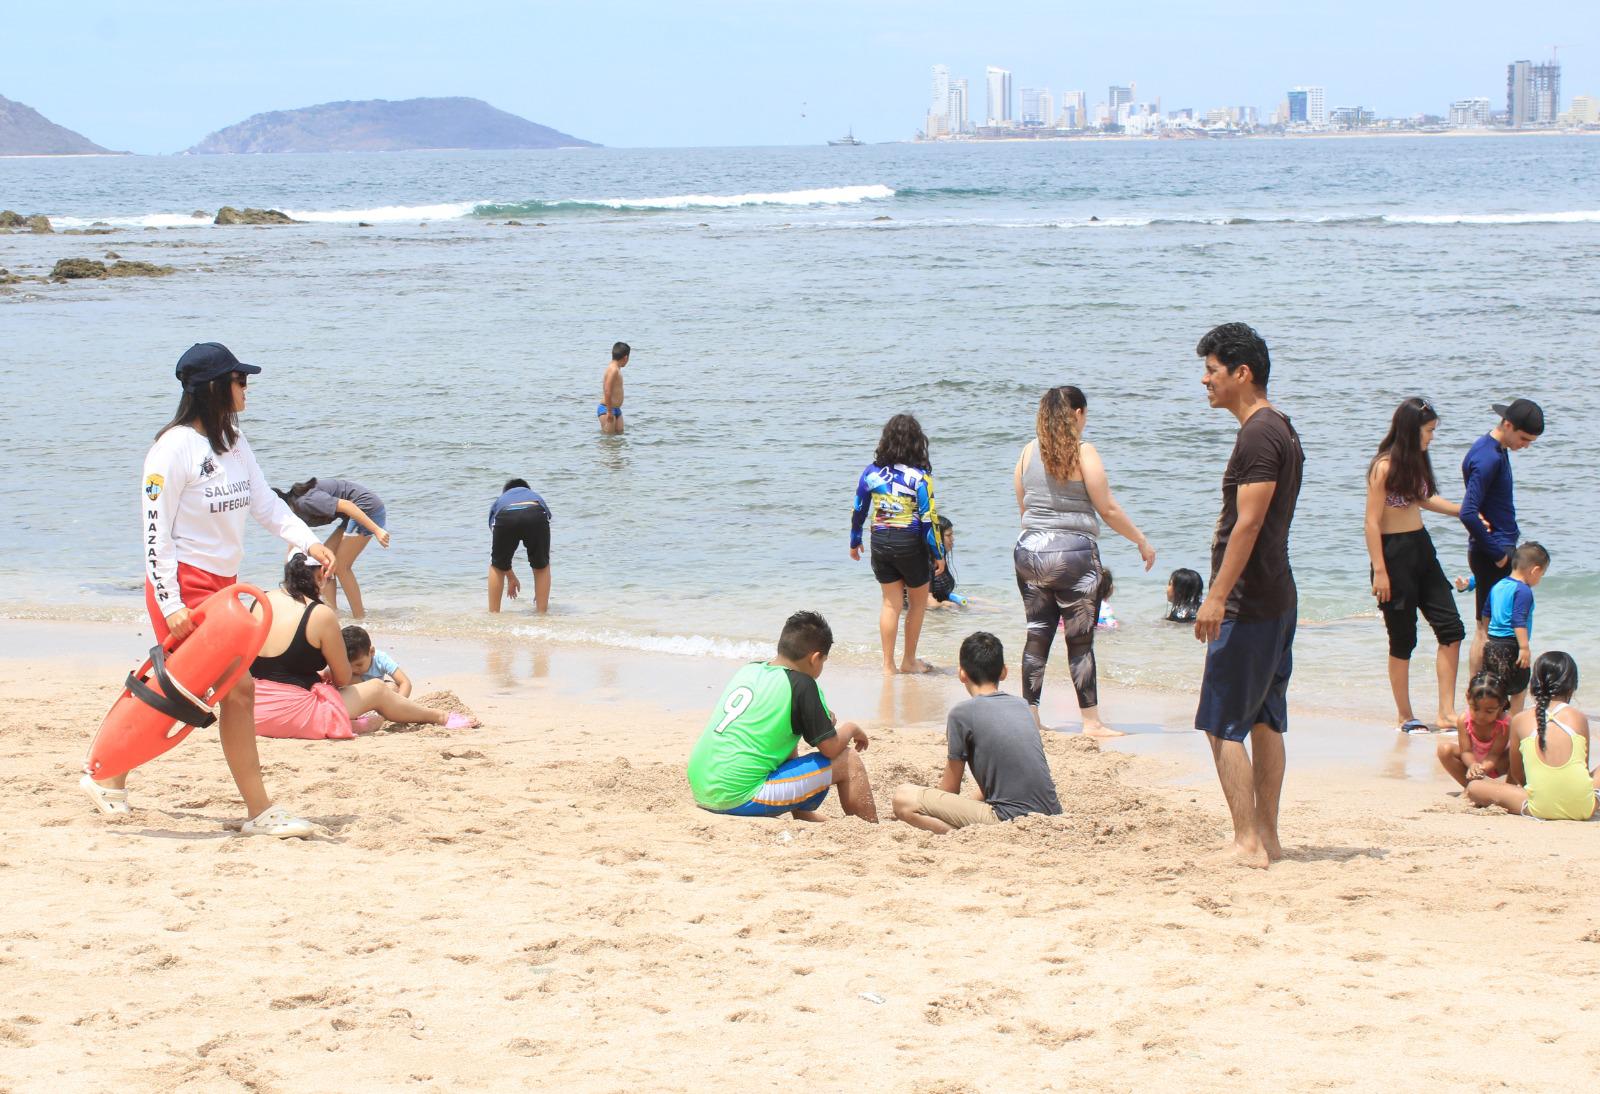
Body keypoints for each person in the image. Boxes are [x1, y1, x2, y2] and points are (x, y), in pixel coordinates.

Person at [80, 342, 338, 838]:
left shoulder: (233, 441)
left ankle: (110, 776)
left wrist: (308, 541)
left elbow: (265, 502)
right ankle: (259, 813)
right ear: (217, 387)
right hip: (182, 587)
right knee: (231, 691)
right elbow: (155, 537)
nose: (247, 387)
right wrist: (172, 602)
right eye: (240, 380)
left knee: (189, 691)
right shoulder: (171, 450)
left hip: (223, 587)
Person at [1193, 323, 1304, 869]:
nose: (1204, 381)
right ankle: (1268, 837)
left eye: (1212, 370)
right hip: (1276, 596)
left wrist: (1216, 596)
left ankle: (1247, 842)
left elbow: (1249, 524)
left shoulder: (1259, 434)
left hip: (1251, 603)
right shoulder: (1281, 427)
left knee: (1221, 723)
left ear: (1243, 373)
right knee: (1265, 719)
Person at [1013, 386, 1155, 737]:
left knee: (1037, 633)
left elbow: (1024, 507)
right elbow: (1106, 508)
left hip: (1029, 551)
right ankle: (1090, 722)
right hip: (1074, 554)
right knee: (1079, 641)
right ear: (1077, 414)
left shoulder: (1027, 452)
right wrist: (1141, 540)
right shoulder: (1084, 453)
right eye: (1085, 415)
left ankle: (1030, 716)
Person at [252, 554, 478, 740]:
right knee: (377, 689)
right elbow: (342, 678)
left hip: (252, 711)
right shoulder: (320, 614)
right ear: (321, 575)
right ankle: (440, 717)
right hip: (291, 714)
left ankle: (355, 722)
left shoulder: (259, 601)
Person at [686, 611, 878, 822]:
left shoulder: (749, 670)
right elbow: (830, 748)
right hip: (737, 797)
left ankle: (803, 815)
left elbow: (782, 737)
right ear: (815, 659)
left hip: (703, 787)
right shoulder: (802, 684)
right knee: (847, 760)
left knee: (782, 738)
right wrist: (851, 728)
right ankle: (869, 829)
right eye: (823, 661)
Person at [1363, 397, 1467, 733]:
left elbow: (1421, 499)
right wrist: (1379, 570)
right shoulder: (1384, 466)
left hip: (1422, 548)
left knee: (1451, 628)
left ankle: (1446, 712)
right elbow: (1372, 523)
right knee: (1403, 638)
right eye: (1429, 431)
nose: (1432, 437)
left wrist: (1462, 511)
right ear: (1411, 430)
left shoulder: (1416, 461)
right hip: (1392, 556)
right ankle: (1405, 715)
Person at [891, 631, 1062, 833]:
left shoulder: (961, 714)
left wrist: (937, 806)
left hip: (1009, 819)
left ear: (961, 673)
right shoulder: (1022, 706)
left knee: (903, 797)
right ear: (1004, 672)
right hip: (1052, 814)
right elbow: (1002, 775)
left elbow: (950, 788)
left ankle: (960, 834)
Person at [850, 414, 946, 675]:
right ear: (917, 443)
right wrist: (939, 553)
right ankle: (909, 661)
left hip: (880, 540)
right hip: (910, 542)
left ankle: (888, 666)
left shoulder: (871, 473)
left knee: (890, 604)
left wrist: (855, 540)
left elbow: (859, 508)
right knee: (916, 604)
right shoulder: (920, 477)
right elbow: (928, 519)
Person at [1460, 398, 1543, 672]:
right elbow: (1468, 512)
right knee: (1485, 630)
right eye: (1524, 438)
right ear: (1507, 424)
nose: (1526, 445)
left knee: (1490, 627)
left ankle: (1485, 695)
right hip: (1492, 551)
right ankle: (1478, 696)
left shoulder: (1495, 448)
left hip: (1495, 546)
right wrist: (1497, 555)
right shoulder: (1488, 457)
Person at [1467, 652, 1596, 821]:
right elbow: (1583, 770)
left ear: (1534, 684)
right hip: (1584, 807)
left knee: (1475, 787)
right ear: (1572, 686)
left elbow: (1517, 772)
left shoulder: (1520, 719)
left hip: (1539, 807)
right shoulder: (1578, 717)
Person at [275, 476, 389, 619]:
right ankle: (333, 614)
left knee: (342, 566)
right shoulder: (294, 513)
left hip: (366, 508)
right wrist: (288, 576)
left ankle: (360, 618)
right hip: (350, 516)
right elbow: (294, 541)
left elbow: (347, 505)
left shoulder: (305, 502)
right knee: (324, 562)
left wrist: (377, 530)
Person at [1480, 541, 1549, 714]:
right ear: (1535, 570)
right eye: (1541, 575)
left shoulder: (1498, 585)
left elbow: (1486, 613)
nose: (1539, 580)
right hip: (1511, 646)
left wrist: (1487, 637)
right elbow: (1518, 620)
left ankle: (1495, 725)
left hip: (1492, 645)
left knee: (1496, 690)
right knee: (1519, 689)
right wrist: (1524, 647)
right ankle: (1513, 725)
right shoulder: (1523, 590)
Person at [488, 478, 552, 613]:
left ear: (505, 492)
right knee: (541, 566)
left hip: (505, 514)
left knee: (497, 566)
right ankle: (541, 613)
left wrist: (509, 576)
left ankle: (493, 615)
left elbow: (499, 557)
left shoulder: (501, 500)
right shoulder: (535, 497)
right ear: (528, 489)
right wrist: (540, 590)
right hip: (535, 511)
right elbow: (547, 517)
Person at [1436, 672, 1511, 788]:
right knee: (1444, 750)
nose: (1481, 716)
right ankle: (1471, 787)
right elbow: (1466, 751)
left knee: (1518, 750)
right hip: (1471, 763)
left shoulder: (1504, 723)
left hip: (1496, 764)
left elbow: (1494, 755)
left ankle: (1507, 787)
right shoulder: (1464, 720)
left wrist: (1482, 768)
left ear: (1502, 704)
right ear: (1467, 697)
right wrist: (1473, 765)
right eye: (1475, 709)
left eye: (1489, 711)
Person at [342, 625, 412, 696]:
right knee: (351, 679)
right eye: (348, 665)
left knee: (393, 687)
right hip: (359, 697)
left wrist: (399, 704)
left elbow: (405, 682)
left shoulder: (380, 659)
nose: (353, 670)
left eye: (359, 665)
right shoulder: (341, 663)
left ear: (371, 652)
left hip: (378, 695)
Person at [598, 341, 629, 434]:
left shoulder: (617, 368)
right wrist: (609, 411)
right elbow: (607, 390)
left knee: (619, 436)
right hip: (607, 409)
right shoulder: (613, 369)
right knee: (609, 439)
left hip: (616, 409)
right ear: (626, 358)